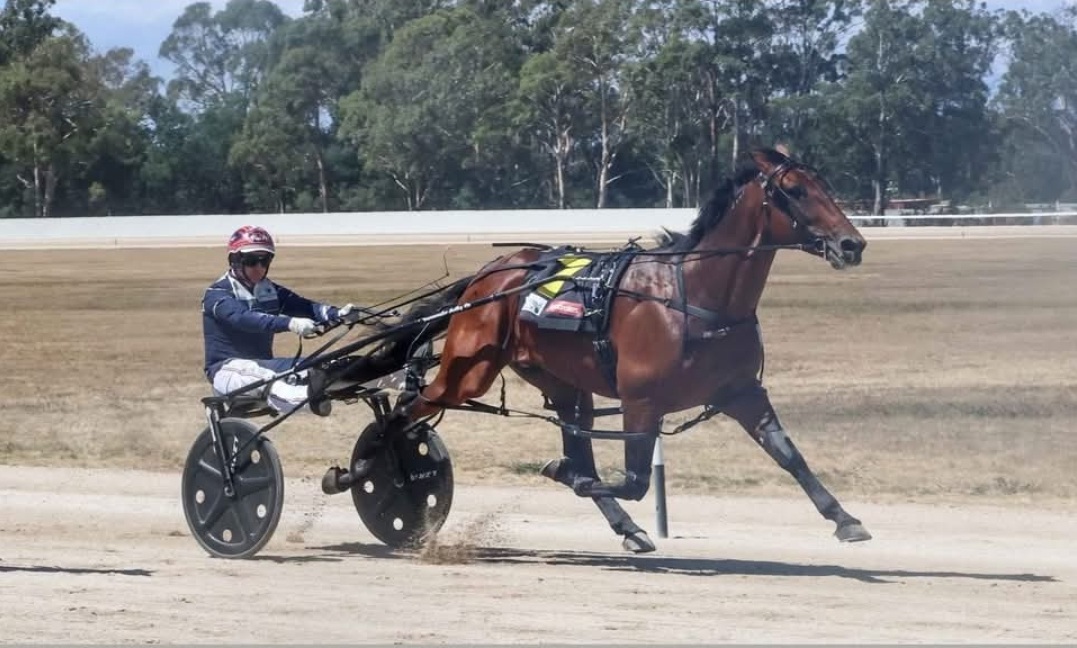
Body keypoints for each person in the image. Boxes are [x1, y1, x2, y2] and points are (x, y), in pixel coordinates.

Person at [201, 225, 357, 416]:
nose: (259, 267)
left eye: (265, 260)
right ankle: (308, 400)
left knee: (324, 365)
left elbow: (306, 307)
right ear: (235, 260)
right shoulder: (217, 294)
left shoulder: (269, 289)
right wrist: (289, 323)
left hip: (263, 364)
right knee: (266, 378)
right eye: (251, 261)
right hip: (226, 371)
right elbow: (244, 319)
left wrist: (337, 313)